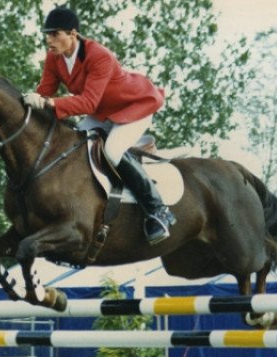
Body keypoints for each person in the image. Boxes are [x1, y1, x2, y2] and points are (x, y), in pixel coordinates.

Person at [23, 5, 176, 245]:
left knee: (113, 150)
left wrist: (49, 103)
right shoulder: (54, 58)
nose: (49, 40)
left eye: (55, 34)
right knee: (73, 146)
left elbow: (87, 101)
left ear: (72, 34)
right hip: (102, 111)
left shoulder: (99, 55)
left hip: (134, 105)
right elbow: (45, 91)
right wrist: (30, 100)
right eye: (47, 34)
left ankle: (158, 210)